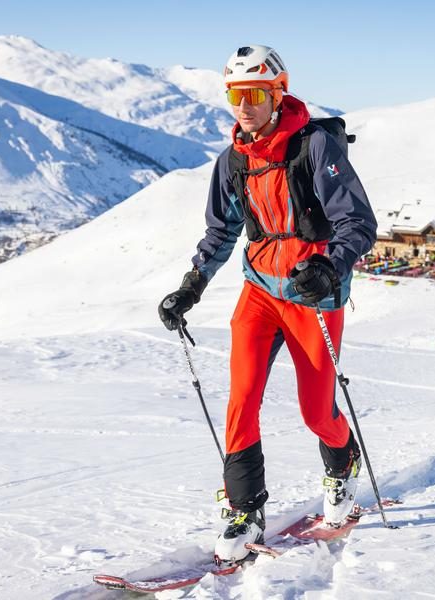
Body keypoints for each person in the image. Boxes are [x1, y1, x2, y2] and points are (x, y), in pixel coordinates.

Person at [157, 44, 377, 564]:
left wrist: (329, 266)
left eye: (254, 93)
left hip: (312, 296)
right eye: (234, 94)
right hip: (258, 293)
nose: (243, 105)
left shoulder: (315, 148)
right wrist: (192, 286)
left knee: (316, 412)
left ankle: (341, 463)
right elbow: (221, 231)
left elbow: (358, 224)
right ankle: (244, 508)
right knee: (242, 399)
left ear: (278, 93)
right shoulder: (233, 160)